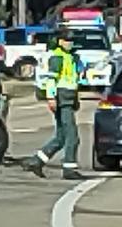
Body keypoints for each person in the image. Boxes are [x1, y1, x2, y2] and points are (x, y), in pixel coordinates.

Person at [23, 31, 84, 181]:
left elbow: (74, 80)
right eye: (66, 40)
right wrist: (51, 97)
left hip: (68, 98)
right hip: (61, 99)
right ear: (59, 41)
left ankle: (37, 161)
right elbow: (51, 80)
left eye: (71, 40)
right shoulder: (57, 57)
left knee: (61, 137)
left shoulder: (71, 58)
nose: (70, 43)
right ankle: (69, 168)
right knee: (72, 137)